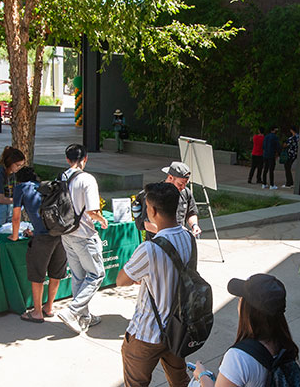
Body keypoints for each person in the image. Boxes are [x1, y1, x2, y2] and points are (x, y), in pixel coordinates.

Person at [116, 182, 195, 387]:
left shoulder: (149, 249)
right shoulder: (189, 238)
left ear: (152, 210)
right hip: (178, 329)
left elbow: (121, 280)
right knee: (181, 381)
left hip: (147, 333)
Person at [192, 274, 299, 387]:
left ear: (249, 311)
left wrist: (202, 374)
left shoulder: (239, 358)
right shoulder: (284, 343)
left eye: (241, 298)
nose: (239, 302)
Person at [55, 143, 110, 333]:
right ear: (85, 159)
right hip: (84, 235)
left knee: (79, 276)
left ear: (67, 159)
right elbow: (92, 210)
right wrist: (102, 220)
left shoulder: (62, 176)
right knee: (96, 275)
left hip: (66, 233)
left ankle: (84, 317)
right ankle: (72, 311)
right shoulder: (87, 179)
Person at [11, 166, 68, 323]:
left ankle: (37, 312)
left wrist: (14, 236)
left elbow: (16, 217)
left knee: (37, 274)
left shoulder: (20, 188)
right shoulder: (45, 187)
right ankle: (49, 307)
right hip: (60, 234)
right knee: (56, 272)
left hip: (42, 238)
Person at [136, 161, 202, 237]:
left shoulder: (186, 192)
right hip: (158, 241)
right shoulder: (154, 193)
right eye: (180, 184)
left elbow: (191, 212)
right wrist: (175, 231)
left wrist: (194, 225)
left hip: (179, 238)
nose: (183, 187)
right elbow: (146, 224)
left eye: (185, 184)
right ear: (170, 177)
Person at [0, 146, 26, 227]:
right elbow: (1, 199)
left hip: (10, 207)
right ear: (10, 162)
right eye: (18, 165)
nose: (19, 168)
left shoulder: (14, 174)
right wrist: (19, 200)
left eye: (21, 165)